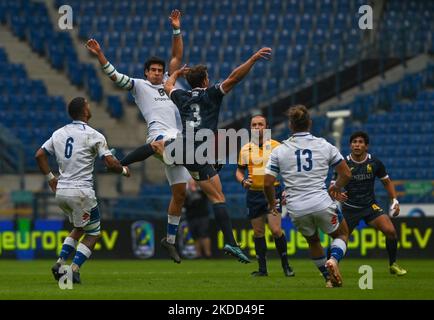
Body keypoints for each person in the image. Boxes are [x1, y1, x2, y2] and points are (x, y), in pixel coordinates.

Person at [86, 10, 189, 263]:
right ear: (145, 73)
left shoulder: (169, 83)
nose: (156, 73)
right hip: (161, 135)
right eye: (152, 70)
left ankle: (171, 240)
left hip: (181, 141)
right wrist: (100, 56)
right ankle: (122, 163)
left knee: (180, 195)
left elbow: (177, 56)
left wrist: (176, 29)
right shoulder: (139, 85)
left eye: (159, 70)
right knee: (160, 145)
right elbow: (114, 76)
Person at [163, 47, 273, 263]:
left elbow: (168, 86)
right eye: (208, 77)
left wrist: (175, 74)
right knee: (217, 197)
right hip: (197, 153)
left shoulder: (182, 95)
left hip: (184, 150)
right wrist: (252, 59)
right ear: (205, 80)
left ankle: (122, 164)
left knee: (216, 192)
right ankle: (230, 241)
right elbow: (234, 78)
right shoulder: (212, 93)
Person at [35, 97, 130, 284]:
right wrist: (124, 170)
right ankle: (73, 270)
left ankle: (60, 262)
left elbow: (39, 155)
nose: (90, 106)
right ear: (85, 111)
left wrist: (51, 179)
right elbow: (110, 163)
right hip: (81, 192)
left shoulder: (58, 133)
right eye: (88, 104)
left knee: (79, 227)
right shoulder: (94, 135)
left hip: (62, 192)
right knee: (93, 232)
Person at [263, 105, 352, 287]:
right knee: (342, 234)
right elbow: (346, 174)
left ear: (290, 125)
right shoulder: (324, 145)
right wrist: (336, 187)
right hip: (321, 201)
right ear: (309, 123)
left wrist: (273, 204)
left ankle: (327, 278)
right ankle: (333, 261)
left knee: (313, 241)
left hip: (296, 207)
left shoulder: (280, 150)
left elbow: (266, 182)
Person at [330, 131, 407, 276]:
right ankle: (331, 265)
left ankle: (393, 265)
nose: (357, 145)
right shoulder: (343, 163)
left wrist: (395, 200)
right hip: (350, 208)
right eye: (354, 142)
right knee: (339, 238)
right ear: (350, 145)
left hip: (369, 206)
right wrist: (338, 193)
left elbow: (387, 182)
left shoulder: (375, 163)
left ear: (366, 146)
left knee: (391, 232)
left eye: (360, 142)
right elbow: (333, 185)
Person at [236, 114, 294, 277]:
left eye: (260, 124)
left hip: (272, 191)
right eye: (254, 125)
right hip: (253, 193)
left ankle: (286, 266)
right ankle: (262, 269)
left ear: (266, 127)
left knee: (276, 230)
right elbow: (239, 171)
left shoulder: (276, 146)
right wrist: (242, 181)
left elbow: (288, 170)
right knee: (258, 232)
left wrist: (286, 189)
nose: (257, 127)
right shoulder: (245, 149)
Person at [184, 179, 212, 258]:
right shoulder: (186, 194)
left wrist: (197, 189)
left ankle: (208, 253)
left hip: (203, 216)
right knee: (195, 236)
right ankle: (198, 254)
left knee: (204, 234)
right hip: (191, 217)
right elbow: (183, 204)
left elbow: (208, 196)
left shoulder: (202, 192)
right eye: (190, 183)